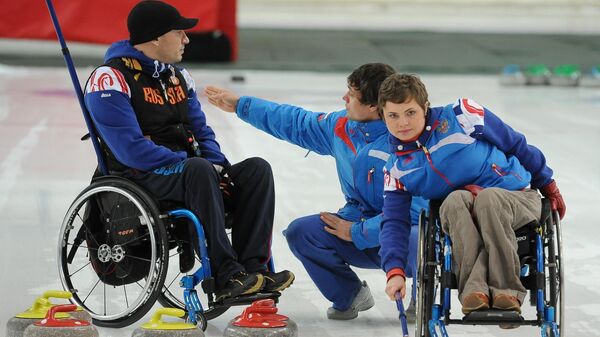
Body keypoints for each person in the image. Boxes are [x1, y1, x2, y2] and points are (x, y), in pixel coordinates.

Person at [83, 0, 294, 301]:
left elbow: (202, 131)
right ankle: (226, 275)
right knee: (198, 169)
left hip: (190, 171)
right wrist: (190, 162)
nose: (187, 39)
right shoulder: (110, 80)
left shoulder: (177, 76)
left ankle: (253, 269)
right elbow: (130, 150)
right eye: (179, 33)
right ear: (155, 37)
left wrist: (216, 162)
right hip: (141, 175)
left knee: (256, 170)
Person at [205, 63, 427, 320]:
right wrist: (241, 105)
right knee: (303, 232)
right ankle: (350, 295)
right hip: (358, 223)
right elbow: (296, 122)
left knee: (420, 240)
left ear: (373, 106)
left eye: (351, 95)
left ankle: (422, 293)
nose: (344, 98)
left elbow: (415, 210)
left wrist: (356, 232)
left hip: (400, 232)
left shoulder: (411, 140)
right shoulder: (342, 128)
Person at [378, 74, 566, 317]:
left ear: (425, 107)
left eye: (410, 112)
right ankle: (473, 292)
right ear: (383, 115)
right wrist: (394, 271)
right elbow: (393, 221)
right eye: (393, 115)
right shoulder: (396, 168)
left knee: (489, 199)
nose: (403, 123)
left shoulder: (462, 115)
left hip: (515, 197)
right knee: (454, 201)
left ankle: (506, 291)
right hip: (462, 212)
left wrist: (548, 184)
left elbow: (515, 144)